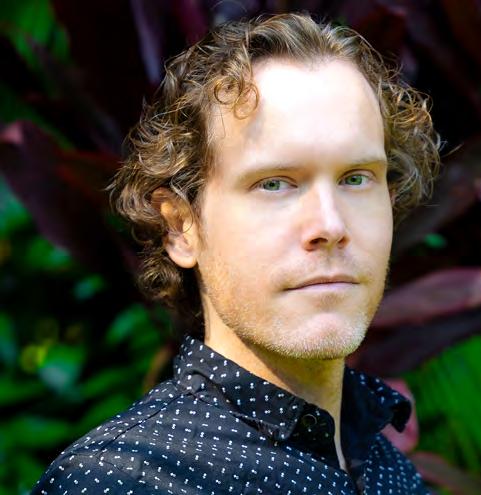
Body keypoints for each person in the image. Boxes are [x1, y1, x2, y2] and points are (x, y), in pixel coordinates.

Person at [32, 11, 440, 495]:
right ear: (181, 228)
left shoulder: (387, 467)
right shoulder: (123, 480)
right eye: (274, 184)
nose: (330, 226)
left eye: (356, 178)